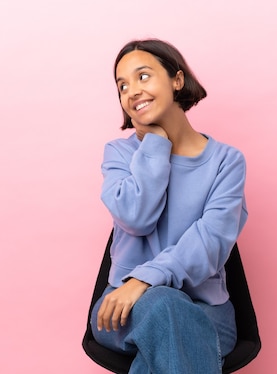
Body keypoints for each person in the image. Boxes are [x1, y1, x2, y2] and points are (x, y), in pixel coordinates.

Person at [90, 38, 248, 373]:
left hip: (206, 310)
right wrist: (156, 146)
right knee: (165, 311)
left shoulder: (226, 162)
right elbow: (137, 217)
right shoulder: (119, 155)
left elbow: (210, 243)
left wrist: (143, 280)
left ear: (177, 80)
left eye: (143, 76)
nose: (132, 91)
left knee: (167, 326)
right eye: (122, 85)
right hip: (122, 311)